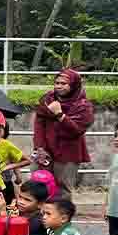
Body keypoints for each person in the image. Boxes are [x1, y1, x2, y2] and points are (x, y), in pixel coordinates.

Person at [32, 69, 94, 199]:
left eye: (64, 83)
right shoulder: (47, 99)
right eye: (57, 82)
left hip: (68, 152)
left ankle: (62, 217)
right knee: (38, 184)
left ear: (74, 85)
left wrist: (60, 115)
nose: (59, 86)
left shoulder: (83, 106)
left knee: (63, 188)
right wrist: (40, 148)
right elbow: (39, 125)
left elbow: (76, 130)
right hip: (46, 149)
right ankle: (40, 216)